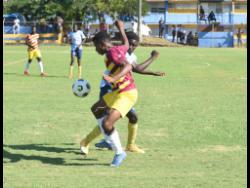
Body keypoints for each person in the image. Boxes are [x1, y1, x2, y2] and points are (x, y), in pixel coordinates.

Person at [80, 31, 165, 155]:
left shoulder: (128, 54)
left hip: (122, 90)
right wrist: (152, 58)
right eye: (131, 44)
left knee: (131, 117)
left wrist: (152, 72)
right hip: (109, 88)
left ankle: (128, 145)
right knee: (108, 119)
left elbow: (136, 68)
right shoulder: (117, 52)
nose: (132, 47)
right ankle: (91, 141)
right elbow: (135, 68)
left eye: (135, 45)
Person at [80, 20, 136, 167]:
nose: (95, 50)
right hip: (119, 92)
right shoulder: (117, 49)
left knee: (107, 123)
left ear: (101, 45)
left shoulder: (111, 53)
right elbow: (127, 44)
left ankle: (119, 152)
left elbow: (128, 65)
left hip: (127, 93)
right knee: (96, 109)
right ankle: (107, 133)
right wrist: (122, 28)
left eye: (95, 47)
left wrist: (113, 78)